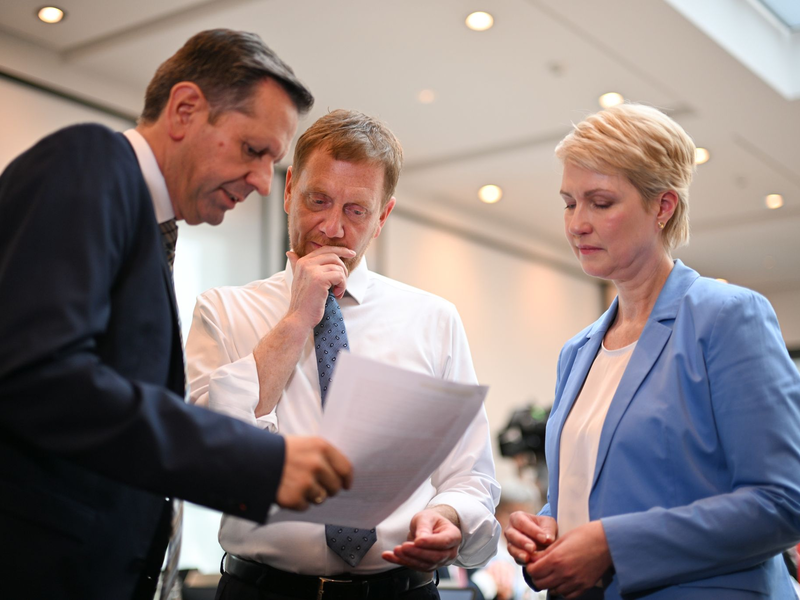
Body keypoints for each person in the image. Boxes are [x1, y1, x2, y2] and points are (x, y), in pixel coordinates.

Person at [0, 29, 352, 600]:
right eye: (253, 151)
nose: (263, 184)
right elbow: (44, 378)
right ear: (185, 110)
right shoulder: (87, 162)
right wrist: (258, 461)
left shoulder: (145, 221)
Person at [185, 109, 501, 600]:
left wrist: (449, 516)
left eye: (356, 211)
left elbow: (470, 473)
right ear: (290, 190)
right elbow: (207, 458)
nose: (332, 228)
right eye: (318, 200)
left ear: (382, 217)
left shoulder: (433, 320)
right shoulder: (223, 311)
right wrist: (296, 321)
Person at [505, 103, 800, 599]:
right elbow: (587, 493)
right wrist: (546, 528)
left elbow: (784, 500)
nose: (577, 224)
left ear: (662, 207)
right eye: (569, 203)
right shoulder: (577, 351)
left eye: (600, 203)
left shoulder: (727, 317)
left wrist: (612, 545)